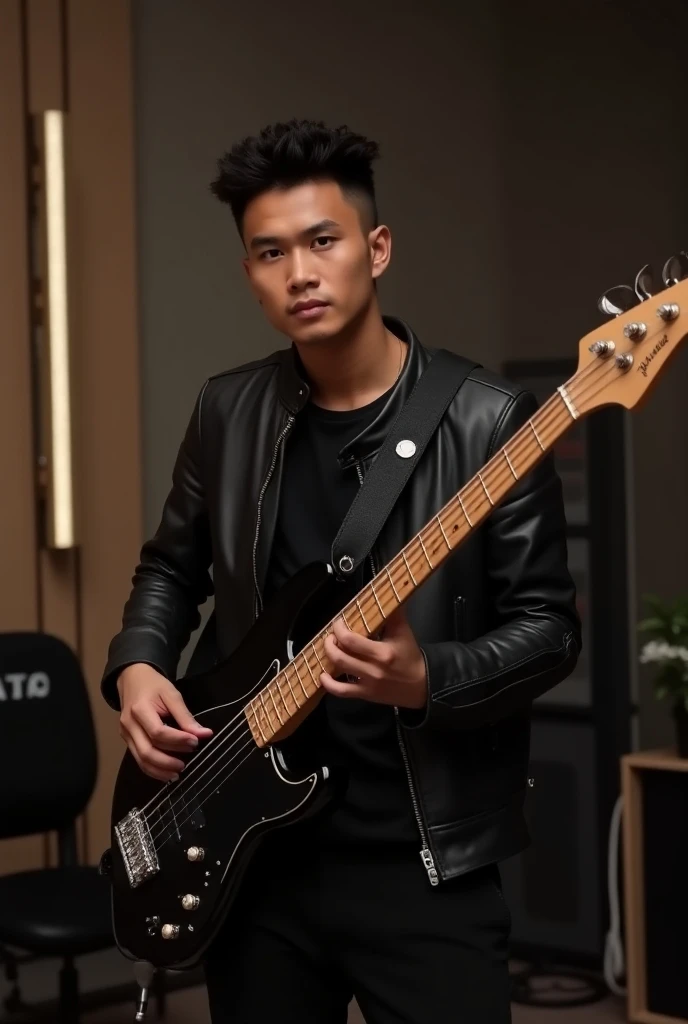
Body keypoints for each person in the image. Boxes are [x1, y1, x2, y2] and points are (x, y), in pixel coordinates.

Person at [102, 118, 581, 1024]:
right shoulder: (226, 410)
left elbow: (551, 630)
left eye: (323, 240)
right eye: (270, 252)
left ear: (378, 246)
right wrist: (136, 666)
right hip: (253, 855)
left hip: (423, 862)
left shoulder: (488, 422)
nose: (300, 273)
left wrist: (425, 677)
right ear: (249, 272)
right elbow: (171, 567)